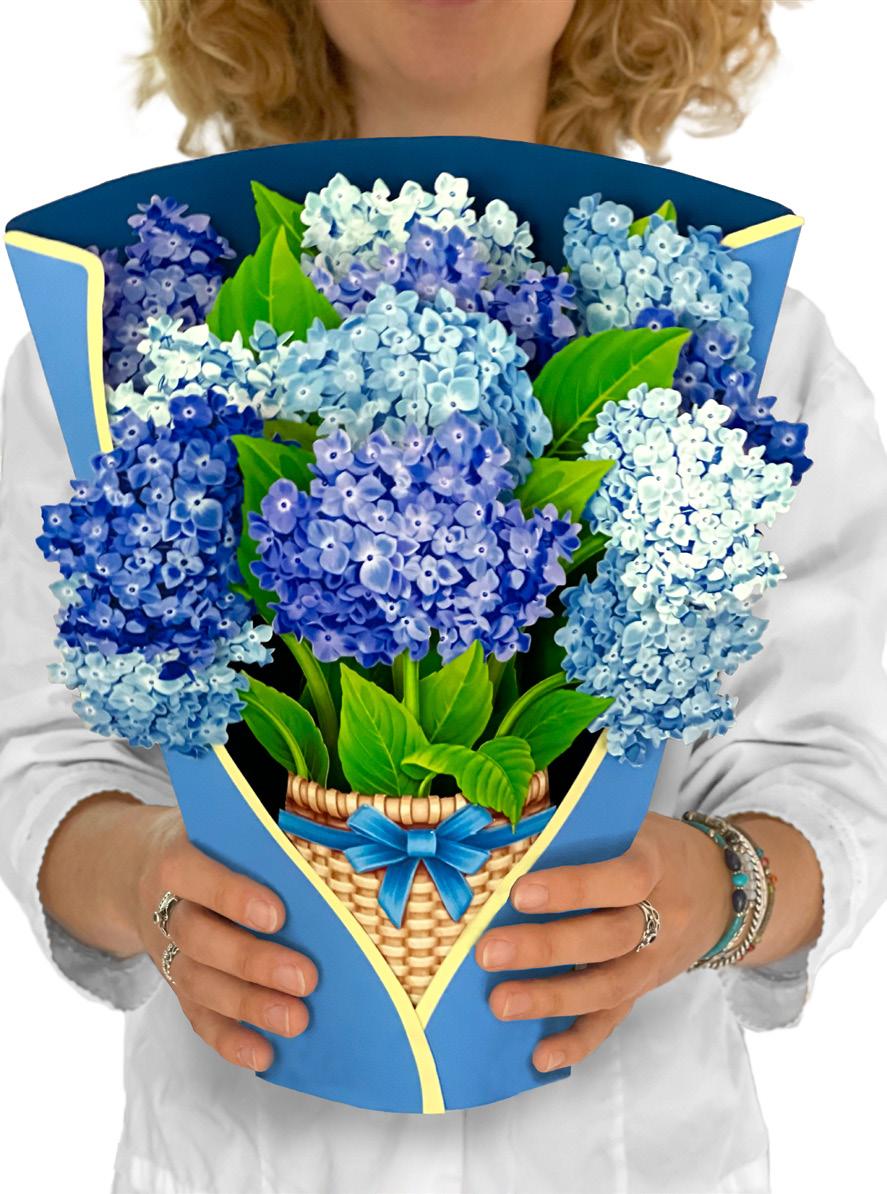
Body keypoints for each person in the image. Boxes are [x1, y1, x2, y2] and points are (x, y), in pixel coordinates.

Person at [2, 1, 886, 1191]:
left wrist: (718, 894)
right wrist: (142, 877)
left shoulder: (741, 338)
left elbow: (831, 769)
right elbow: (37, 751)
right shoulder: (128, 333)